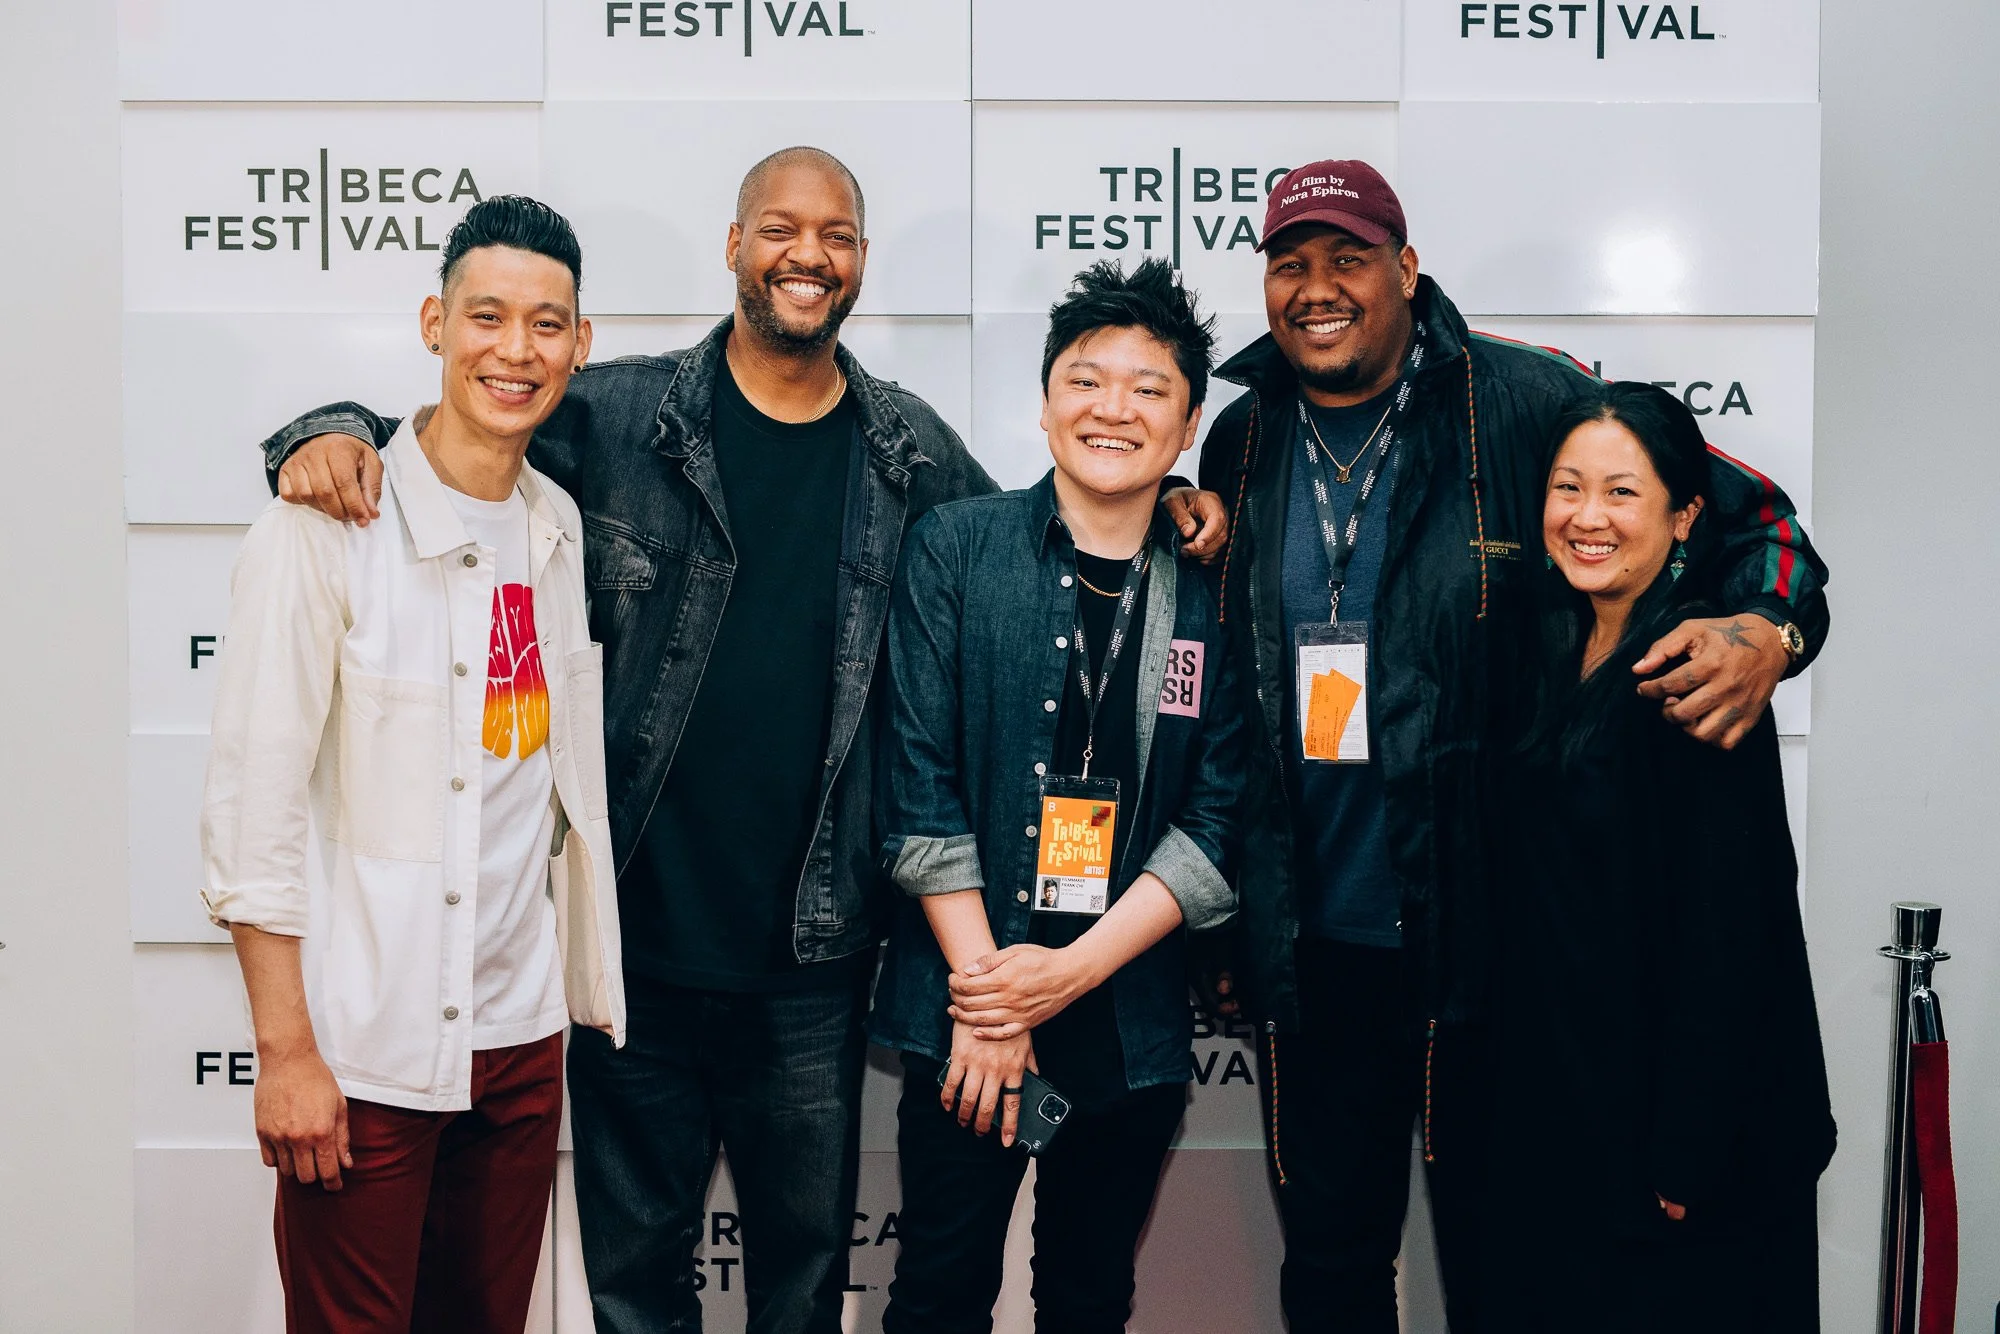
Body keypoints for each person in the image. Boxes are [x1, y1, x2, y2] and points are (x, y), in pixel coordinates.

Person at [251, 148, 1227, 1334]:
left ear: (860, 263)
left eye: (836, 235)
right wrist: (331, 424)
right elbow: (460, 436)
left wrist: (1173, 505)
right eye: (780, 227)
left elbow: (1052, 530)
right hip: (630, 961)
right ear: (732, 244)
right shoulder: (608, 414)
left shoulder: (907, 450)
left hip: (812, 968)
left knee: (802, 1297)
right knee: (632, 1294)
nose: (806, 254)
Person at [1192, 159, 1833, 1332]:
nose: (1316, 287)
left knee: (1508, 1275)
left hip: (1482, 949)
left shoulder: (1523, 399)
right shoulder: (1238, 437)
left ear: (1405, 268)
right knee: (1328, 1272)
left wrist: (1767, 625)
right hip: (1309, 950)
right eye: (1290, 263)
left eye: (1347, 258)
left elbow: (1748, 513)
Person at [199, 195, 623, 1333]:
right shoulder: (322, 525)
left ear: (580, 345)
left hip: (520, 1038)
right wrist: (285, 1050)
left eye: (547, 324)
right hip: (369, 1043)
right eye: (487, 316)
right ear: (435, 322)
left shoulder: (558, 525)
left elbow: (527, 767)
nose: (515, 349)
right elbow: (253, 811)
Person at [869, 258, 1248, 1334]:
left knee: (1087, 1299)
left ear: (1183, 429)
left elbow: (1217, 817)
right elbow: (917, 786)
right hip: (964, 1007)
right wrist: (994, 1000)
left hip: (1122, 1010)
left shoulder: (1215, 586)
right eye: (1085, 379)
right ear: (1042, 405)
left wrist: (1065, 976)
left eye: (1148, 388)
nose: (1111, 408)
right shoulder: (956, 546)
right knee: (937, 1294)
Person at [1480, 381, 1834, 1331]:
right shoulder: (1550, 643)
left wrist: (1688, 1150)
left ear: (1685, 518)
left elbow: (1733, 934)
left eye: (1622, 493)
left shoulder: (1701, 669)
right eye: (1567, 488)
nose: (1587, 518)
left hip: (1681, 1152)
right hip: (1576, 1118)